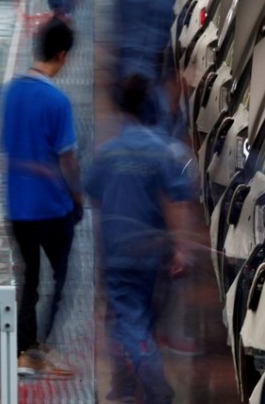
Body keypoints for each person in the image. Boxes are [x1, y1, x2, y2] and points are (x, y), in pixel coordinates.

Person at [85, 74, 198, 404]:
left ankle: (144, 387)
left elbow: (94, 196)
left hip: (119, 252)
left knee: (126, 323)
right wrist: (181, 249)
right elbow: (177, 202)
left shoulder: (108, 153)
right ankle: (135, 386)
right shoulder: (164, 152)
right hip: (153, 254)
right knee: (141, 321)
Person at [0, 19, 83, 377]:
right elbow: (68, 158)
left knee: (29, 280)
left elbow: (4, 148)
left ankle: (24, 349)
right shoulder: (56, 100)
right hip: (52, 208)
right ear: (62, 55)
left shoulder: (10, 93)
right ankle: (37, 351)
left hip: (17, 208)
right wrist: (77, 196)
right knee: (62, 280)